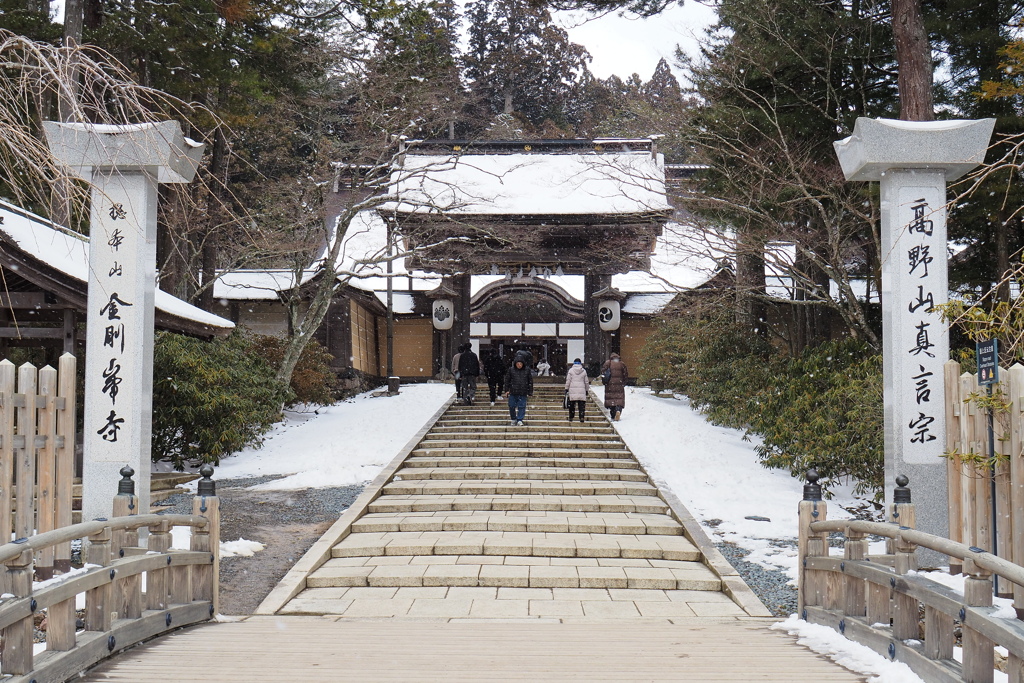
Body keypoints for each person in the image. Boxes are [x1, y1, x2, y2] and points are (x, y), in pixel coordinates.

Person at [503, 350, 534, 426]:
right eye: (518, 363)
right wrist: (506, 390)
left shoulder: (527, 370)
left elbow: (530, 381)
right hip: (513, 391)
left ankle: (520, 419)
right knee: (511, 406)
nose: (519, 365)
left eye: (520, 363)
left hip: (523, 391)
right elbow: (507, 380)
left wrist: (530, 391)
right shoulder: (511, 370)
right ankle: (513, 418)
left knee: (522, 406)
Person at [601, 352, 628, 421]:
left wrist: (605, 382)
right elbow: (625, 374)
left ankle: (613, 414)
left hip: (610, 384)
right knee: (619, 399)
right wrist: (623, 383)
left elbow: (603, 373)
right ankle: (618, 410)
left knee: (611, 399)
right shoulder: (622, 364)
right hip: (619, 384)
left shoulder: (608, 363)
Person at [564, 358, 590, 423]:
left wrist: (566, 388)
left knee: (572, 405)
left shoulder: (571, 371)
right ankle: (581, 417)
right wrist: (587, 390)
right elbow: (586, 382)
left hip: (573, 390)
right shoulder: (583, 371)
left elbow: (568, 381)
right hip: (581, 390)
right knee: (581, 405)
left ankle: (571, 417)